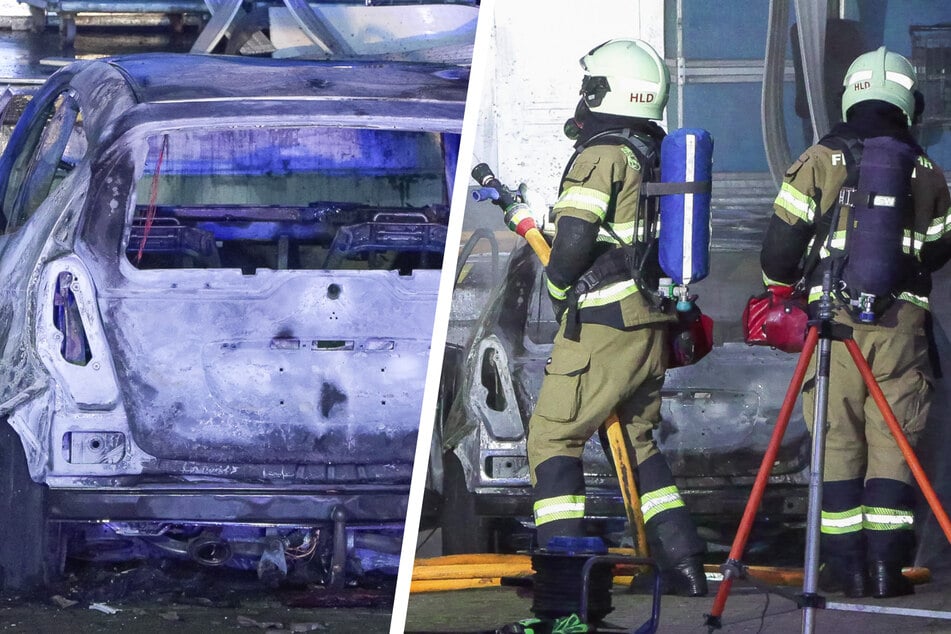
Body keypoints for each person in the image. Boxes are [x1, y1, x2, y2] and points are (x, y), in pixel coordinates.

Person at [760, 46, 951, 598]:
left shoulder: (820, 159)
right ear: (908, 101)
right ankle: (889, 570)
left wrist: (783, 291)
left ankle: (844, 569)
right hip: (902, 328)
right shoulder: (927, 169)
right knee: (894, 439)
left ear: (851, 95)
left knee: (838, 438)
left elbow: (780, 249)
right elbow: (939, 251)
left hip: (832, 327)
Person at [527, 38, 707, 597]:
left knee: (553, 438)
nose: (583, 96)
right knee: (636, 441)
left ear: (605, 90)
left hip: (603, 326)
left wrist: (558, 285)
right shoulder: (651, 152)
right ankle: (684, 566)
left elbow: (576, 237)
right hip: (650, 323)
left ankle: (566, 581)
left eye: (590, 85)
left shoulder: (602, 152)